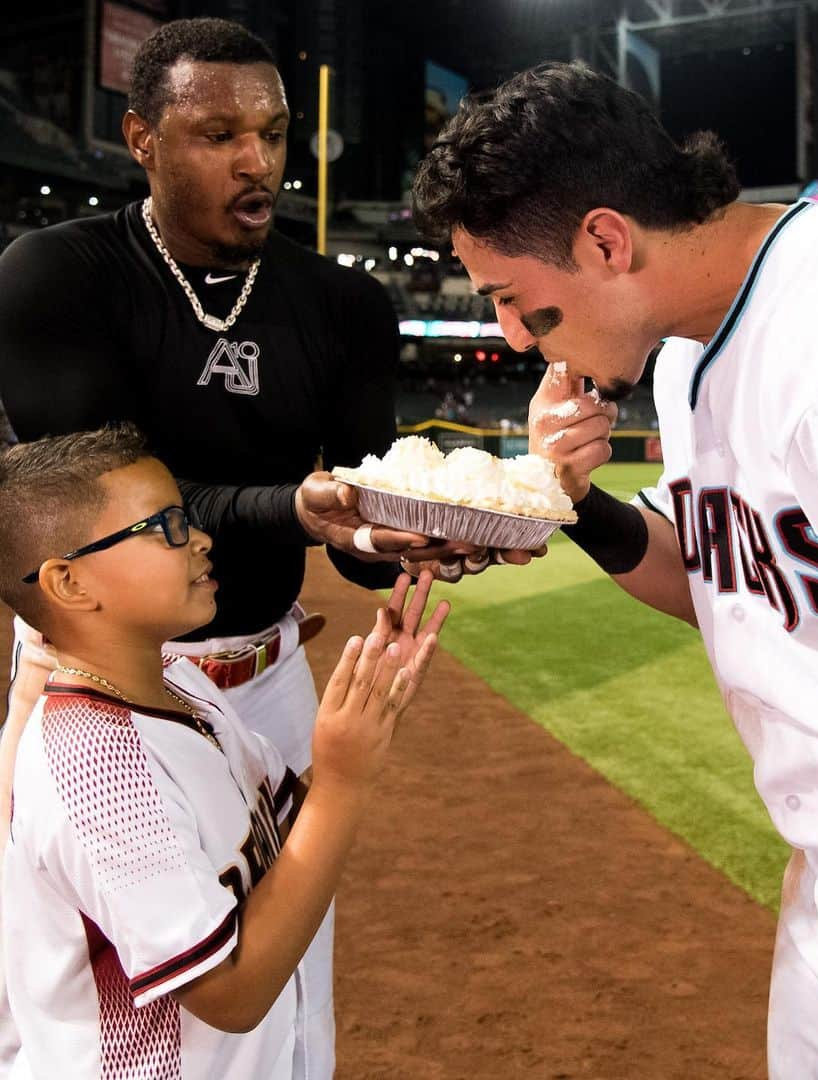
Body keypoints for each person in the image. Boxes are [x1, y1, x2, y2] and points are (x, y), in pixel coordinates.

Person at [413, 61, 818, 1079]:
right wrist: (577, 508)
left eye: (521, 303)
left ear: (605, 239)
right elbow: (730, 583)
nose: (512, 335)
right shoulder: (684, 352)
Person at [0, 17, 498, 1074]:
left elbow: (357, 535)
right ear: (140, 137)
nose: (257, 160)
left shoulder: (343, 304)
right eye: (217, 133)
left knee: (286, 963)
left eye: (272, 133)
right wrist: (293, 508)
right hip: (100, 675)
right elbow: (88, 517)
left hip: (266, 677)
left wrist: (424, 535)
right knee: (91, 982)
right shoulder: (57, 274)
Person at [0, 424, 448, 1078]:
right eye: (168, 526)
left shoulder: (176, 682)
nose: (202, 538)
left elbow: (283, 833)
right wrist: (345, 783)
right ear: (69, 583)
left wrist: (368, 717)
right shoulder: (93, 770)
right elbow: (230, 993)